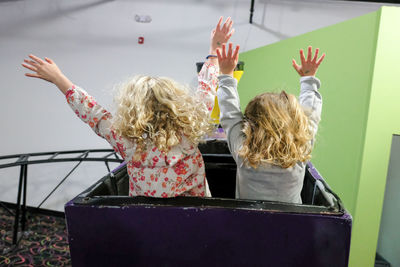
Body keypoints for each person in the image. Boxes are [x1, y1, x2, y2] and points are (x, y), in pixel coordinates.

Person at [21, 17, 234, 198]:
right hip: (195, 220)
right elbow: (207, 89)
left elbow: (91, 112)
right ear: (177, 105)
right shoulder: (189, 131)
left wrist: (59, 79)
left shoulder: (125, 141)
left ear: (133, 111)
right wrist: (214, 51)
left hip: (145, 223)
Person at [216, 44, 325, 203]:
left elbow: (229, 112)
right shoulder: (300, 150)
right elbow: (312, 112)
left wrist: (226, 74)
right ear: (295, 122)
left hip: (247, 224)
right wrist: (308, 80)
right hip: (291, 226)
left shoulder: (243, 152)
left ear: (250, 124)